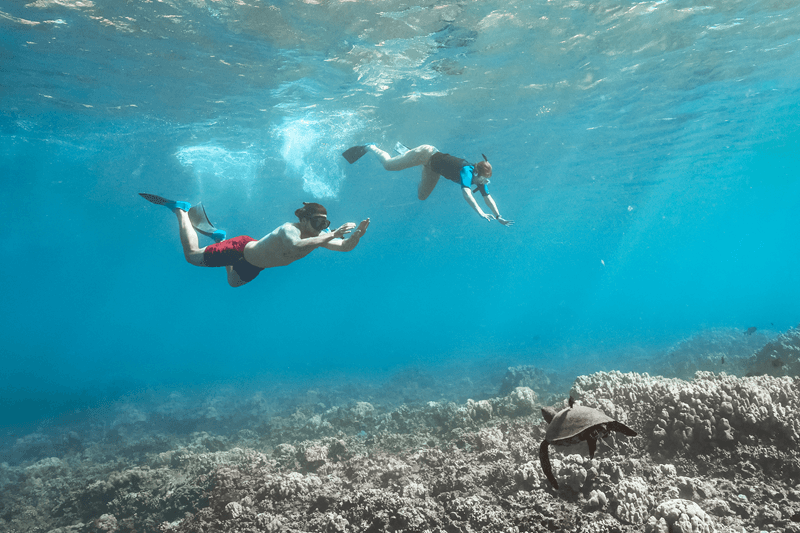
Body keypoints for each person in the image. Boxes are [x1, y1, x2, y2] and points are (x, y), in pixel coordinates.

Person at [140, 194, 370, 288]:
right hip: (239, 248)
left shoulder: (319, 236)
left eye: (325, 224)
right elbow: (294, 246)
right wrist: (330, 234)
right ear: (304, 219)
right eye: (318, 224)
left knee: (233, 282)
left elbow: (345, 247)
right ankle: (181, 210)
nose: (321, 229)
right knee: (191, 255)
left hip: (255, 264)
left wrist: (356, 236)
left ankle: (219, 237)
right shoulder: (288, 230)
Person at [343, 143, 514, 226]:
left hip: (433, 168)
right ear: (477, 173)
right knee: (389, 166)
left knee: (422, 196)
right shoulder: (467, 171)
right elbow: (467, 194)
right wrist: (481, 213)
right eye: (483, 179)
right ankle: (370, 146)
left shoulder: (478, 178)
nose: (483, 184)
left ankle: (409, 154)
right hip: (427, 153)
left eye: (486, 181)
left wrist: (498, 216)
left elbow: (488, 197)